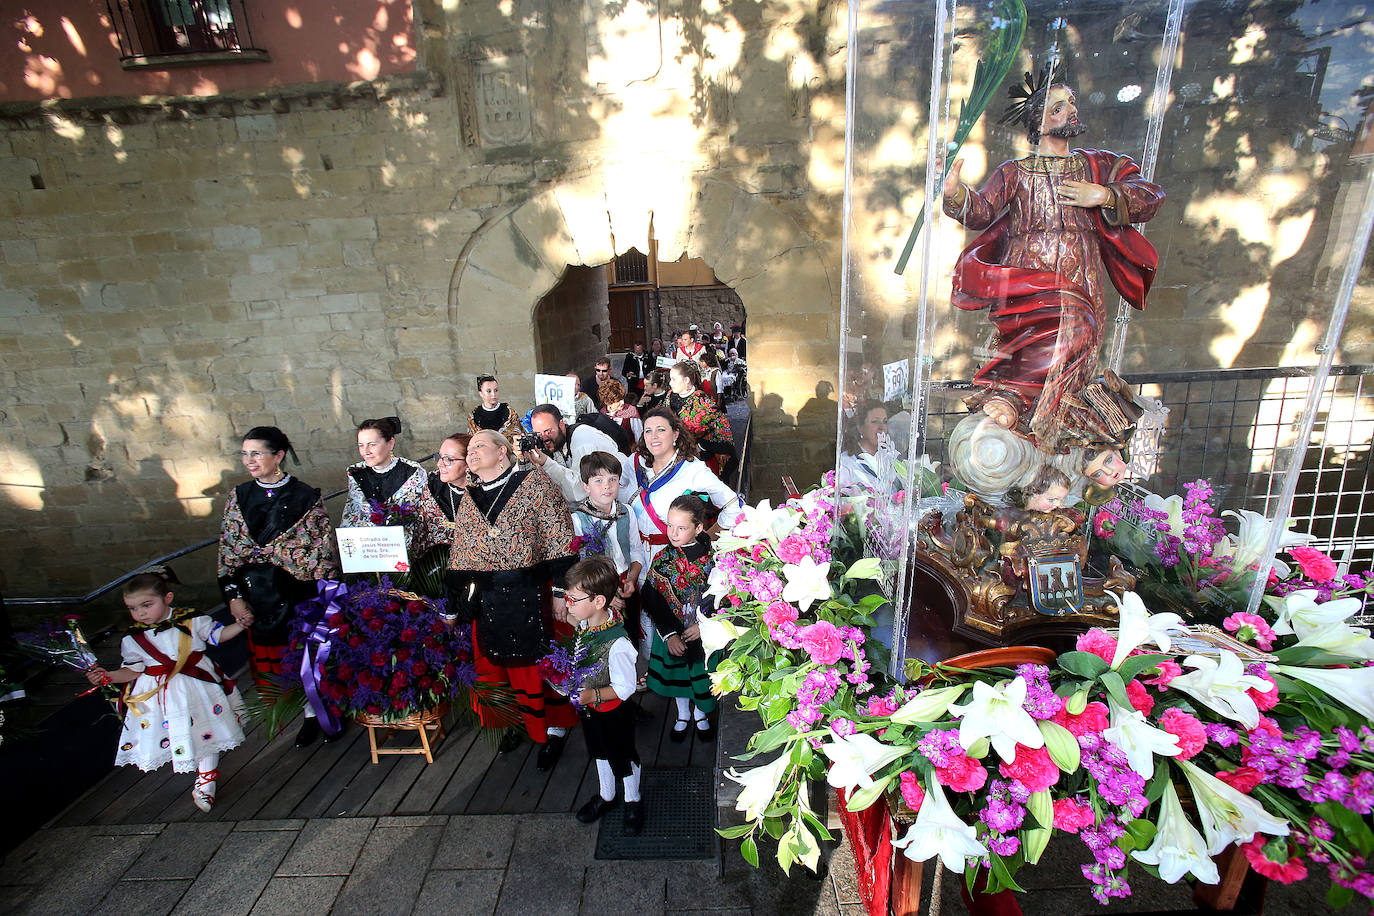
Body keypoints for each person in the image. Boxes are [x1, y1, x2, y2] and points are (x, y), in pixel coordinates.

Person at [942, 66, 1164, 448]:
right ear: (1039, 121)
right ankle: (1018, 416)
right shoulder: (1015, 171)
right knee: (1035, 347)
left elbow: (1149, 196)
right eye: (1058, 107)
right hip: (1028, 278)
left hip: (1083, 273)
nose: (1070, 110)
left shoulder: (1098, 165)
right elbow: (980, 212)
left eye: (1071, 103)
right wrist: (955, 193)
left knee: (1081, 344)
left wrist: (1106, 195)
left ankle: (1054, 433)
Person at [444, 430, 579, 769]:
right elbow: (461, 555)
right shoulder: (469, 497)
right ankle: (518, 721)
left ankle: (555, 729)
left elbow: (559, 538)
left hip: (532, 594)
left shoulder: (535, 484)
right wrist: (453, 603)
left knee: (542, 668)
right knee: (499, 669)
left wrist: (561, 592)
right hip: (489, 600)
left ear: (502, 452)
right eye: (469, 449)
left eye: (479, 447)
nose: (470, 454)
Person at [86, 568, 248, 812]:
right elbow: (132, 670)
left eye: (146, 605)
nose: (140, 613)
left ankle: (206, 779)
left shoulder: (192, 620)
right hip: (162, 696)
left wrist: (241, 625)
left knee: (208, 729)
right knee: (186, 732)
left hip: (199, 686)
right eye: (132, 608)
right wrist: (107, 676)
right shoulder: (132, 639)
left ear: (168, 598)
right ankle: (204, 775)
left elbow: (218, 636)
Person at [217, 425, 340, 747]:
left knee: (305, 658)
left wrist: (317, 589)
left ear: (279, 455)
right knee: (275, 660)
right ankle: (297, 711)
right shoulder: (239, 497)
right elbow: (229, 550)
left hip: (297, 593)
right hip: (258, 597)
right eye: (245, 454)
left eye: (256, 453)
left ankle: (315, 715)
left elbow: (321, 548)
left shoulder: (306, 497)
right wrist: (234, 598)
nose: (249, 460)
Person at [564, 556, 644, 835]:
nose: (568, 604)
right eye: (567, 597)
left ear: (598, 601)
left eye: (573, 599)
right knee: (599, 752)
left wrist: (591, 695)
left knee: (622, 756)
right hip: (591, 711)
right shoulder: (583, 626)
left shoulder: (618, 643)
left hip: (614, 713)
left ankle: (633, 799)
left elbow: (625, 687)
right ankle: (607, 795)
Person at [641, 492, 718, 742]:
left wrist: (704, 624)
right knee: (678, 678)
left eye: (682, 527)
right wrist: (670, 633)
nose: (673, 533)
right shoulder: (662, 559)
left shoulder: (713, 559)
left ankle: (700, 714)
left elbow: (723, 597)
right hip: (672, 632)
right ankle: (682, 713)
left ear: (699, 527)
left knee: (702, 675)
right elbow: (651, 598)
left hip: (704, 634)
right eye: (670, 526)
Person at [631, 408, 743, 572]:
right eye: (648, 431)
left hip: (675, 562)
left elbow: (734, 506)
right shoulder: (634, 463)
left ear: (675, 434)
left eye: (661, 430)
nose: (653, 436)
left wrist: (705, 539)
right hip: (637, 559)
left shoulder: (692, 470)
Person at [571, 452, 646, 653]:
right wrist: (603, 594)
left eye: (613, 479)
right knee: (602, 641)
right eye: (598, 480)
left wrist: (632, 578)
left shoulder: (627, 512)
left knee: (628, 635)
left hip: (624, 583)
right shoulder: (578, 520)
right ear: (586, 486)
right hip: (595, 590)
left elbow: (636, 550)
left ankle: (630, 676)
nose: (607, 486)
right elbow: (580, 567)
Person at [341, 417, 444, 555]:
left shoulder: (412, 472)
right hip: (366, 551)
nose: (366, 451)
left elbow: (422, 517)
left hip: (405, 552)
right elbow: (353, 515)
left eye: (372, 444)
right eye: (361, 445)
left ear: (390, 443)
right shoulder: (356, 473)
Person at [522, 403, 636, 506]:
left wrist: (546, 463)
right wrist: (524, 458)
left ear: (561, 424)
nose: (544, 438)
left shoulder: (582, 440)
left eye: (548, 431)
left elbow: (580, 489)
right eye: (538, 433)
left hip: (626, 501)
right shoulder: (559, 443)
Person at [667, 360, 735, 481]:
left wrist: (701, 446)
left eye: (673, 379)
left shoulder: (703, 401)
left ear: (686, 380)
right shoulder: (669, 397)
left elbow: (721, 430)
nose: (670, 383)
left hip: (702, 461)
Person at [837, 400, 900, 495]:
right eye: (875, 422)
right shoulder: (846, 463)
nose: (881, 427)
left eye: (885, 421)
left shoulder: (889, 459)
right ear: (860, 427)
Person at [468, 375, 523, 440]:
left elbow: (518, 437)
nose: (493, 394)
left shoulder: (510, 413)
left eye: (496, 390)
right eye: (488, 391)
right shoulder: (474, 416)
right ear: (481, 393)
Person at [1007, 465, 1073, 513]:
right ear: (1033, 492)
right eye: (1051, 500)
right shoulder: (1011, 509)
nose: (1058, 504)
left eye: (1061, 500)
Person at [600, 378, 643, 444]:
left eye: (622, 398)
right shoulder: (602, 413)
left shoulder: (630, 411)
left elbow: (639, 435)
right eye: (618, 401)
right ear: (608, 402)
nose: (622, 402)